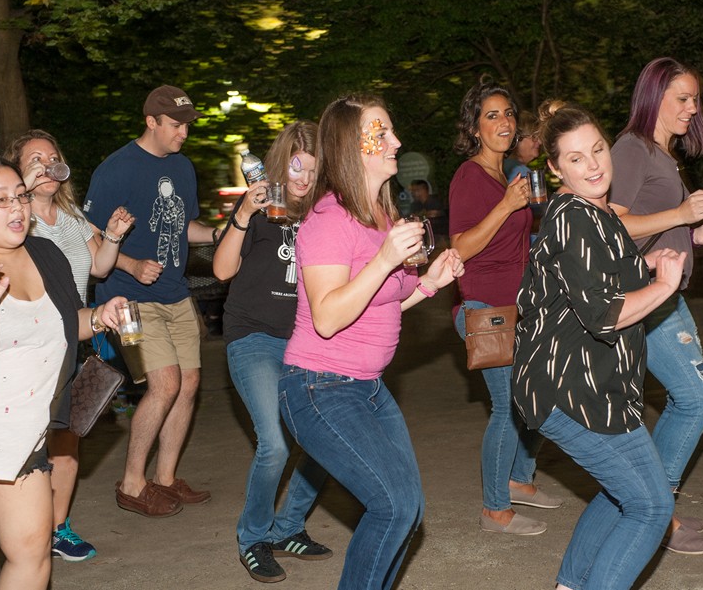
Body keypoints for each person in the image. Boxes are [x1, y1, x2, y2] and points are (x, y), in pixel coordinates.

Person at [278, 94, 464, 590]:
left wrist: (428, 284)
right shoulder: (328, 220)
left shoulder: (379, 213)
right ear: (351, 146)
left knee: (407, 509)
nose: (396, 141)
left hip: (367, 388)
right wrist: (384, 261)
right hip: (319, 388)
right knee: (394, 505)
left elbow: (377, 306)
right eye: (381, 133)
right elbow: (328, 317)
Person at [0, 154, 125, 590]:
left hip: (23, 432)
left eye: (19, 196)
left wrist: (100, 316)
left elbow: (64, 321)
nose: (15, 208)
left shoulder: (46, 253)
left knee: (32, 553)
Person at [514, 100, 685, 590]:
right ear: (554, 168)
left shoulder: (598, 212)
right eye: (575, 158)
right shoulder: (573, 217)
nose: (593, 165)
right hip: (568, 389)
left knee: (622, 496)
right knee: (651, 508)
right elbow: (604, 314)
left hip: (599, 386)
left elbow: (601, 274)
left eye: (597, 150)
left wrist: (649, 267)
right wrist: (663, 287)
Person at [609, 57, 703, 555]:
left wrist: (696, 234)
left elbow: (655, 224)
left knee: (689, 399)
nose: (692, 108)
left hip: (664, 291)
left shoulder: (662, 152)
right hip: (644, 295)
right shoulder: (631, 148)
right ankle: (655, 512)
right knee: (697, 399)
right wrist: (680, 212)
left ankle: (654, 510)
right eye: (682, 98)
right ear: (653, 96)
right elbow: (612, 223)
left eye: (695, 98)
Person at [84, 84, 221, 517]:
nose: (184, 133)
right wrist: (130, 264)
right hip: (127, 300)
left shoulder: (182, 168)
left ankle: (164, 479)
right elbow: (88, 240)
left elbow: (187, 230)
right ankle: (131, 483)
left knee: (190, 383)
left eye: (187, 125)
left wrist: (224, 233)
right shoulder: (116, 169)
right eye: (177, 125)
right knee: (164, 385)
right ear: (152, 122)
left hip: (176, 294)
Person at [2, 129, 134, 562]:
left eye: (53, 156)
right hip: (28, 344)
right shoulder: (17, 221)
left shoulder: (72, 215)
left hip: (73, 343)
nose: (47, 163)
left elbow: (98, 266)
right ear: (18, 169)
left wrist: (113, 234)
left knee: (67, 440)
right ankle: (23, 529)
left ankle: (59, 529)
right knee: (27, 443)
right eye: (35, 158)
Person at [212, 121, 332, 583]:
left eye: (313, 168)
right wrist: (244, 211)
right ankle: (253, 537)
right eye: (297, 166)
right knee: (275, 444)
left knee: (327, 436)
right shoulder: (260, 206)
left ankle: (289, 527)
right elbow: (222, 271)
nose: (303, 177)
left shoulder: (325, 212)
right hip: (254, 337)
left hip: (305, 339)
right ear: (282, 161)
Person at [448, 78, 561, 537]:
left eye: (508, 114)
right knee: (506, 405)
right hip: (482, 306)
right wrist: (506, 207)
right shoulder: (469, 176)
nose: (504, 122)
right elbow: (461, 246)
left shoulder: (511, 173)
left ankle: (519, 479)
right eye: (492, 115)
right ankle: (494, 508)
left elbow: (518, 246)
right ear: (475, 126)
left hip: (519, 303)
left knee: (536, 394)